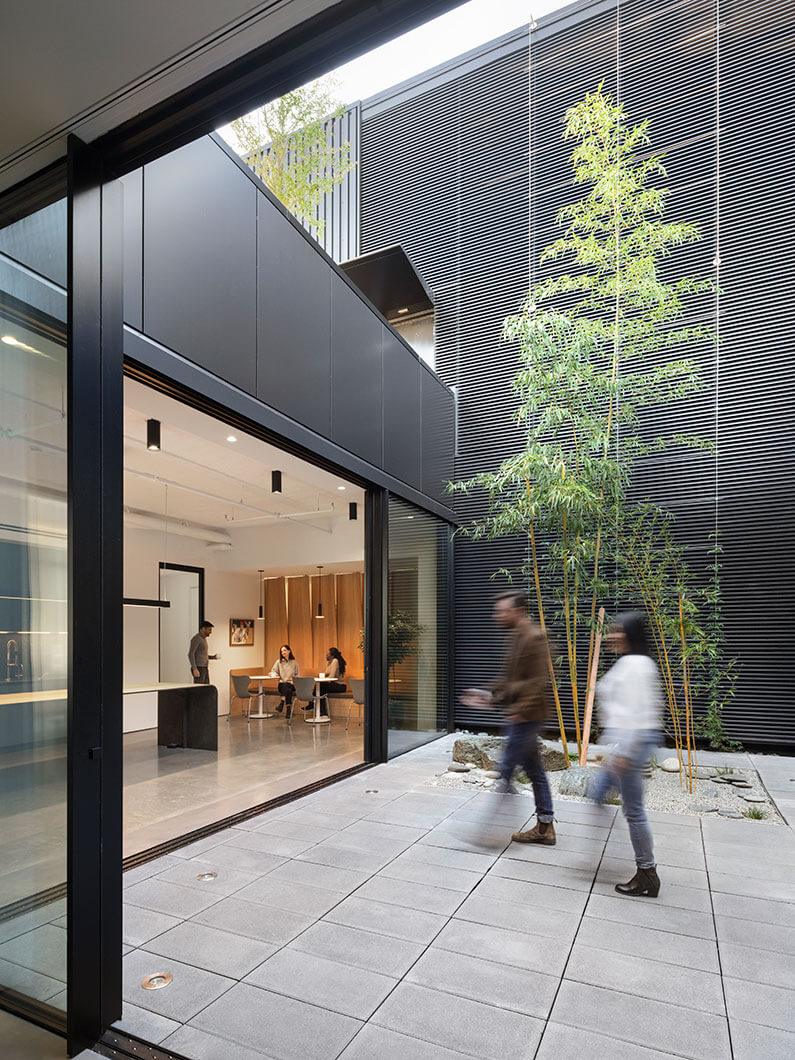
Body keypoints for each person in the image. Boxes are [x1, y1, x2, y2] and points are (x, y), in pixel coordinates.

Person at [461, 590, 557, 845]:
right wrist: (487, 695)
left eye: (503, 611)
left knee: (505, 770)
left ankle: (489, 833)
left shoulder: (536, 637)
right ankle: (545, 826)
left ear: (518, 611)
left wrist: (520, 711)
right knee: (534, 770)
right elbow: (508, 678)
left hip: (528, 716)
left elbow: (538, 681)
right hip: (521, 714)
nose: (498, 616)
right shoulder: (515, 637)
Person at [591, 611, 663, 898]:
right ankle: (619, 849)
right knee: (597, 791)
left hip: (633, 742)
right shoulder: (636, 662)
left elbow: (635, 712)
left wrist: (625, 752)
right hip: (630, 742)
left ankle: (647, 873)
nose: (611, 635)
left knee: (633, 810)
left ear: (631, 634)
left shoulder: (635, 665)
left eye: (618, 630)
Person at [310, 647, 347, 718]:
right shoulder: (330, 662)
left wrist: (324, 677)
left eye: (327, 654)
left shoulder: (335, 661)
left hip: (340, 686)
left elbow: (331, 676)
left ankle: (312, 704)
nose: (325, 656)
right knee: (321, 689)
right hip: (333, 684)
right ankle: (322, 713)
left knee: (321, 686)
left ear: (332, 656)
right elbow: (327, 674)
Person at [271, 644, 299, 720]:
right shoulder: (278, 662)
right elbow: (273, 671)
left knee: (288, 686)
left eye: (284, 650)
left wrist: (293, 681)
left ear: (289, 651)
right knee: (286, 687)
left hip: (292, 684)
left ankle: (282, 703)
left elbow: (297, 675)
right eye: (281, 651)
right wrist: (274, 674)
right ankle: (288, 709)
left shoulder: (294, 663)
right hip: (282, 684)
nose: (283, 652)